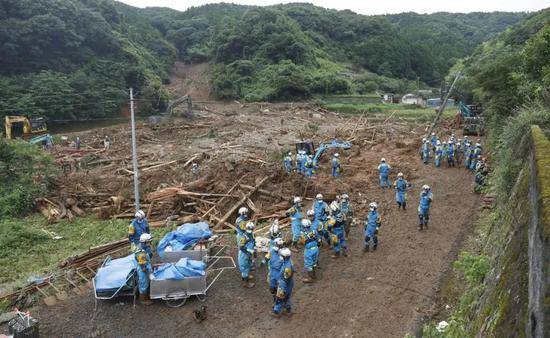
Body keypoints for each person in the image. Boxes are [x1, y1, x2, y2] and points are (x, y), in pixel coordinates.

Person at [272, 248, 295, 318]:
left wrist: (281, 287)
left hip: (284, 283)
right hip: (289, 282)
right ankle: (288, 310)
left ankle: (276, 312)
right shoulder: (289, 262)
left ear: (284, 257)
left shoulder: (287, 267)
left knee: (279, 297)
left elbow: (285, 278)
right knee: (287, 297)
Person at [135, 233, 153, 305]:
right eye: (149, 242)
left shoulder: (143, 248)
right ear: (145, 242)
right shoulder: (141, 252)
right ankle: (143, 300)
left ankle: (145, 296)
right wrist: (149, 273)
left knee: (145, 283)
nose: (150, 243)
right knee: (144, 284)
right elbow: (143, 266)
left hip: (145, 266)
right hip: (143, 270)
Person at [299, 219, 320, 283]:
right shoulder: (314, 230)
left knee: (308, 264)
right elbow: (318, 239)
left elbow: (302, 242)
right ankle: (314, 275)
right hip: (316, 248)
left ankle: (311, 278)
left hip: (309, 250)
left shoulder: (302, 233)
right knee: (314, 262)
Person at [237, 222, 256, 288]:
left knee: (248, 265)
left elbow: (254, 242)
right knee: (244, 267)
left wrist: (255, 249)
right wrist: (250, 250)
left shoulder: (252, 234)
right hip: (243, 254)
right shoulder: (243, 236)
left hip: (248, 254)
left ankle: (245, 276)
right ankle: (246, 283)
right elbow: (241, 247)